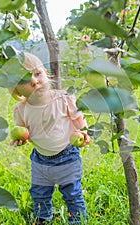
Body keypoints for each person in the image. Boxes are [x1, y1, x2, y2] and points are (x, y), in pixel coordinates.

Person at [9, 52, 91, 225]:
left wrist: (83, 133)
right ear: (16, 89)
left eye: (37, 74)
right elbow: (23, 131)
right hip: (40, 158)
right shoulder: (21, 109)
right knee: (39, 192)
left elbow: (78, 119)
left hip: (67, 154)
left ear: (45, 73)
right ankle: (43, 218)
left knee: (72, 193)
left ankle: (77, 221)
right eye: (25, 80)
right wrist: (20, 139)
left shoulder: (63, 98)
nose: (34, 81)